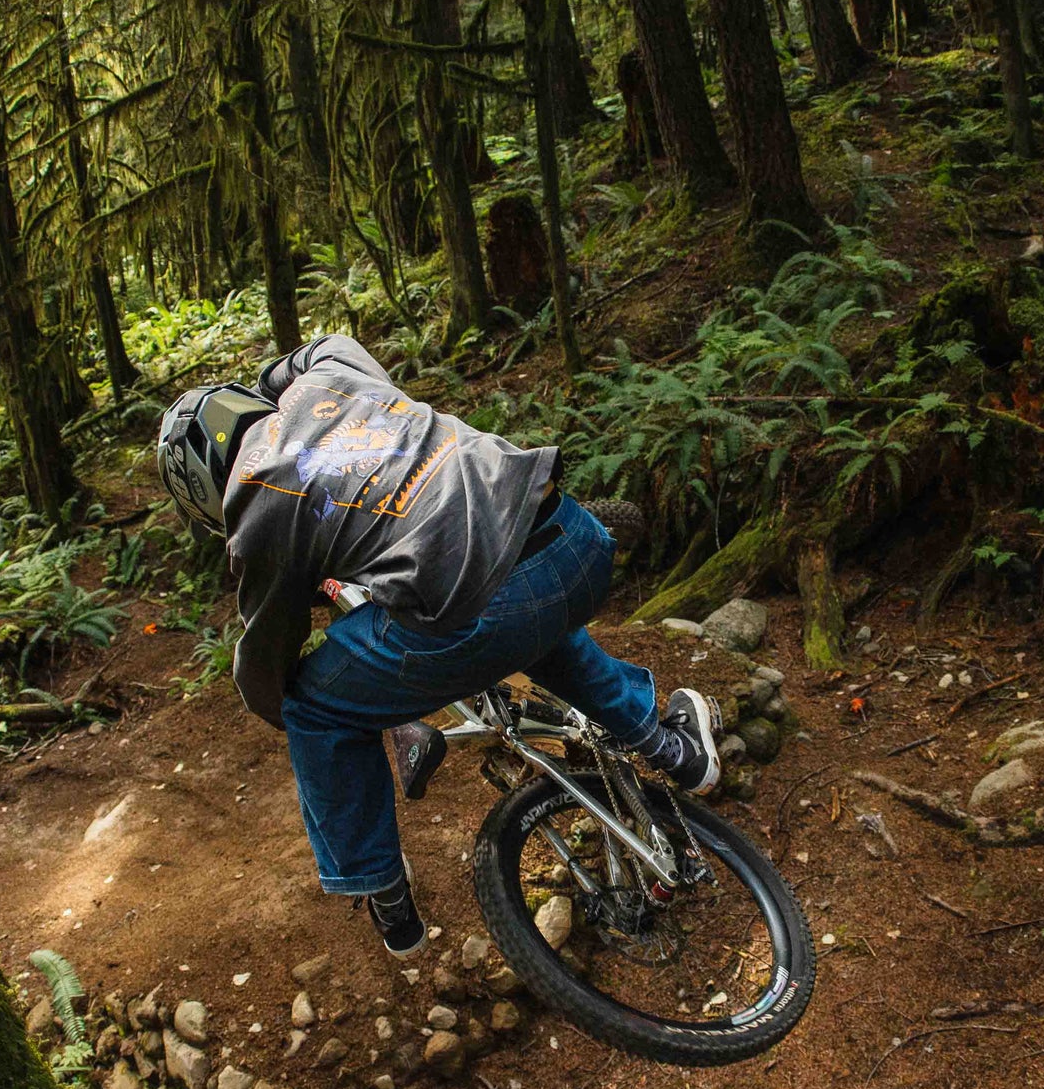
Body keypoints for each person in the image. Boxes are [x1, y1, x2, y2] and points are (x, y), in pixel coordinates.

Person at [156, 336, 720, 959]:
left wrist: (284, 702)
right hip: (574, 539)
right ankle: (675, 750)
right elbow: (331, 342)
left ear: (201, 492)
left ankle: (384, 892)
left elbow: (267, 658)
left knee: (315, 709)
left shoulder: (254, 514)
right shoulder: (332, 378)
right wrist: (275, 380)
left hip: (473, 616)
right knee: (536, 629)